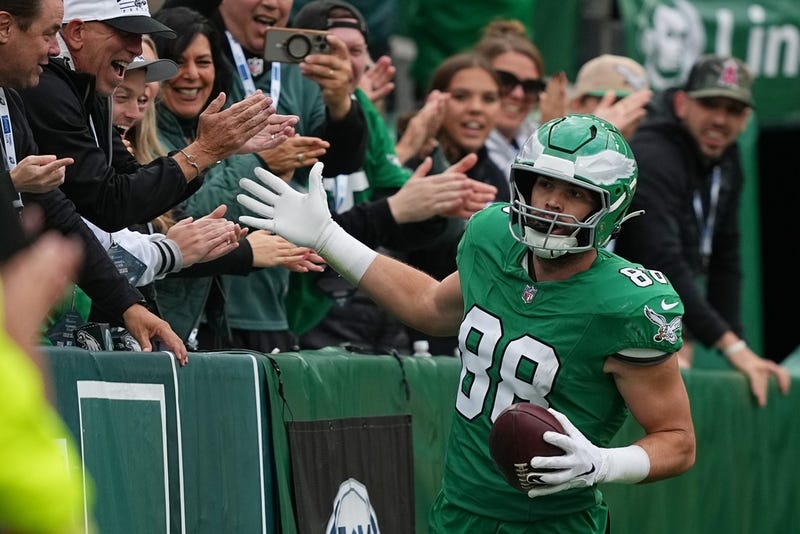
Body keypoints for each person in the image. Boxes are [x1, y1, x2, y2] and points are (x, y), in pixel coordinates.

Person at [237, 114, 696, 532]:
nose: (552, 202)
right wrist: (328, 237)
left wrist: (603, 463)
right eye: (544, 184)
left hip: (554, 525)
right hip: (458, 512)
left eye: (575, 194)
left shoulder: (625, 304)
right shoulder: (492, 237)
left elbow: (678, 441)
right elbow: (429, 306)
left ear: (610, 208)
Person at [285, 0, 497, 353]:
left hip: (335, 309)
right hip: (288, 309)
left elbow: (397, 205)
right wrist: (398, 206)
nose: (345, 62)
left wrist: (432, 205)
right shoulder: (286, 107)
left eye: (355, 51)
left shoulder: (363, 109)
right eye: (330, 48)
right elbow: (295, 233)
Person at [0, 0, 190, 361]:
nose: (54, 49)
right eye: (48, 34)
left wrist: (127, 305)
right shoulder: (46, 93)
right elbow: (109, 202)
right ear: (5, 27)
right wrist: (9, 186)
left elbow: (60, 213)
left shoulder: (12, 97)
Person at [613, 54, 791, 407]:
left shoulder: (727, 158)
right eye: (710, 104)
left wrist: (741, 350)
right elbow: (660, 258)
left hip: (665, 312)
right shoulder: (654, 152)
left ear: (746, 118)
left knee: (680, 391)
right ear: (682, 103)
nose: (720, 120)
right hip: (617, 310)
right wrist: (732, 347)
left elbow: (726, 255)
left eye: (733, 110)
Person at [19, 0, 282, 233]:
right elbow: (109, 205)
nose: (137, 49)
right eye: (127, 34)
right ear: (77, 32)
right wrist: (206, 150)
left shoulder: (87, 85)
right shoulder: (48, 88)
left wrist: (211, 151)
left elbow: (134, 190)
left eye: (142, 98)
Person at [568, 54, 652, 140]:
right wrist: (597, 135)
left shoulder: (651, 142)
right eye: (613, 102)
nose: (619, 113)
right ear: (578, 105)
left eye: (634, 104)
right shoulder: (560, 141)